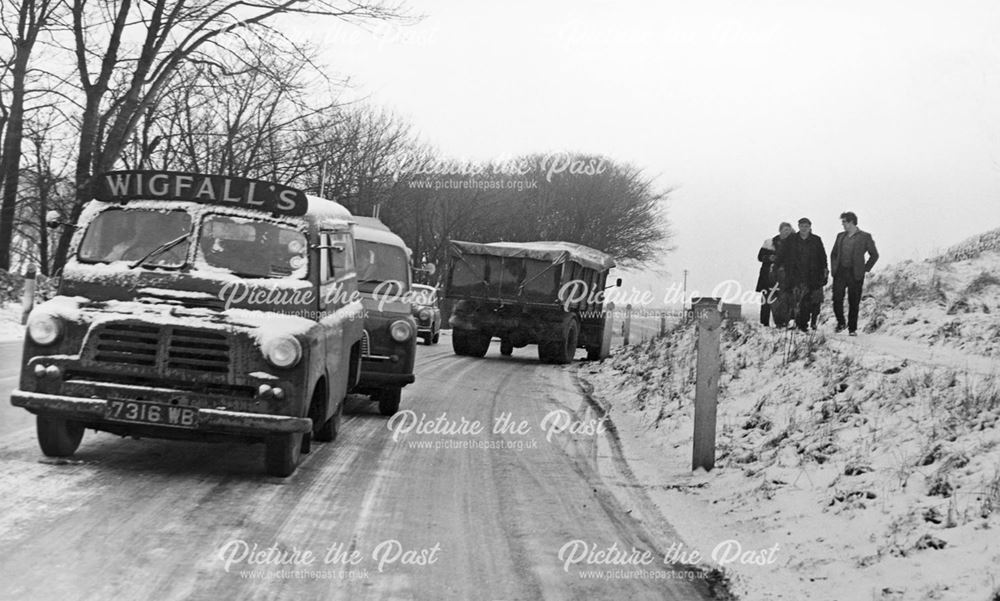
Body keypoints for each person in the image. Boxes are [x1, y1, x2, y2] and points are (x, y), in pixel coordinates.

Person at [830, 211, 879, 335]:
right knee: (837, 299)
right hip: (840, 272)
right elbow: (834, 253)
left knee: (854, 301)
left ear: (851, 222)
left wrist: (865, 268)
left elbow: (874, 255)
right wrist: (834, 268)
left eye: (844, 222)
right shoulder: (840, 236)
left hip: (855, 273)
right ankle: (841, 322)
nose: (843, 225)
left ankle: (852, 328)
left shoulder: (865, 237)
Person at [775, 217, 828, 332]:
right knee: (795, 300)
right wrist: (776, 267)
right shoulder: (791, 239)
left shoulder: (816, 240)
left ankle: (803, 325)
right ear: (798, 226)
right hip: (794, 275)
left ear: (810, 227)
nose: (804, 228)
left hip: (811, 275)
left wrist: (825, 271)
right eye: (802, 226)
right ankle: (797, 323)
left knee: (807, 301)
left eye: (806, 226)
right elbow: (781, 255)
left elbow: (822, 257)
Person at [756, 222, 792, 326]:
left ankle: (781, 323)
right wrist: (769, 258)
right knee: (766, 300)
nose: (787, 232)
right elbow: (760, 257)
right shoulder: (769, 242)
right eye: (785, 230)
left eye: (788, 230)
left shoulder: (791, 245)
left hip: (782, 276)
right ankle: (764, 323)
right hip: (767, 275)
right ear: (780, 230)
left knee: (781, 300)